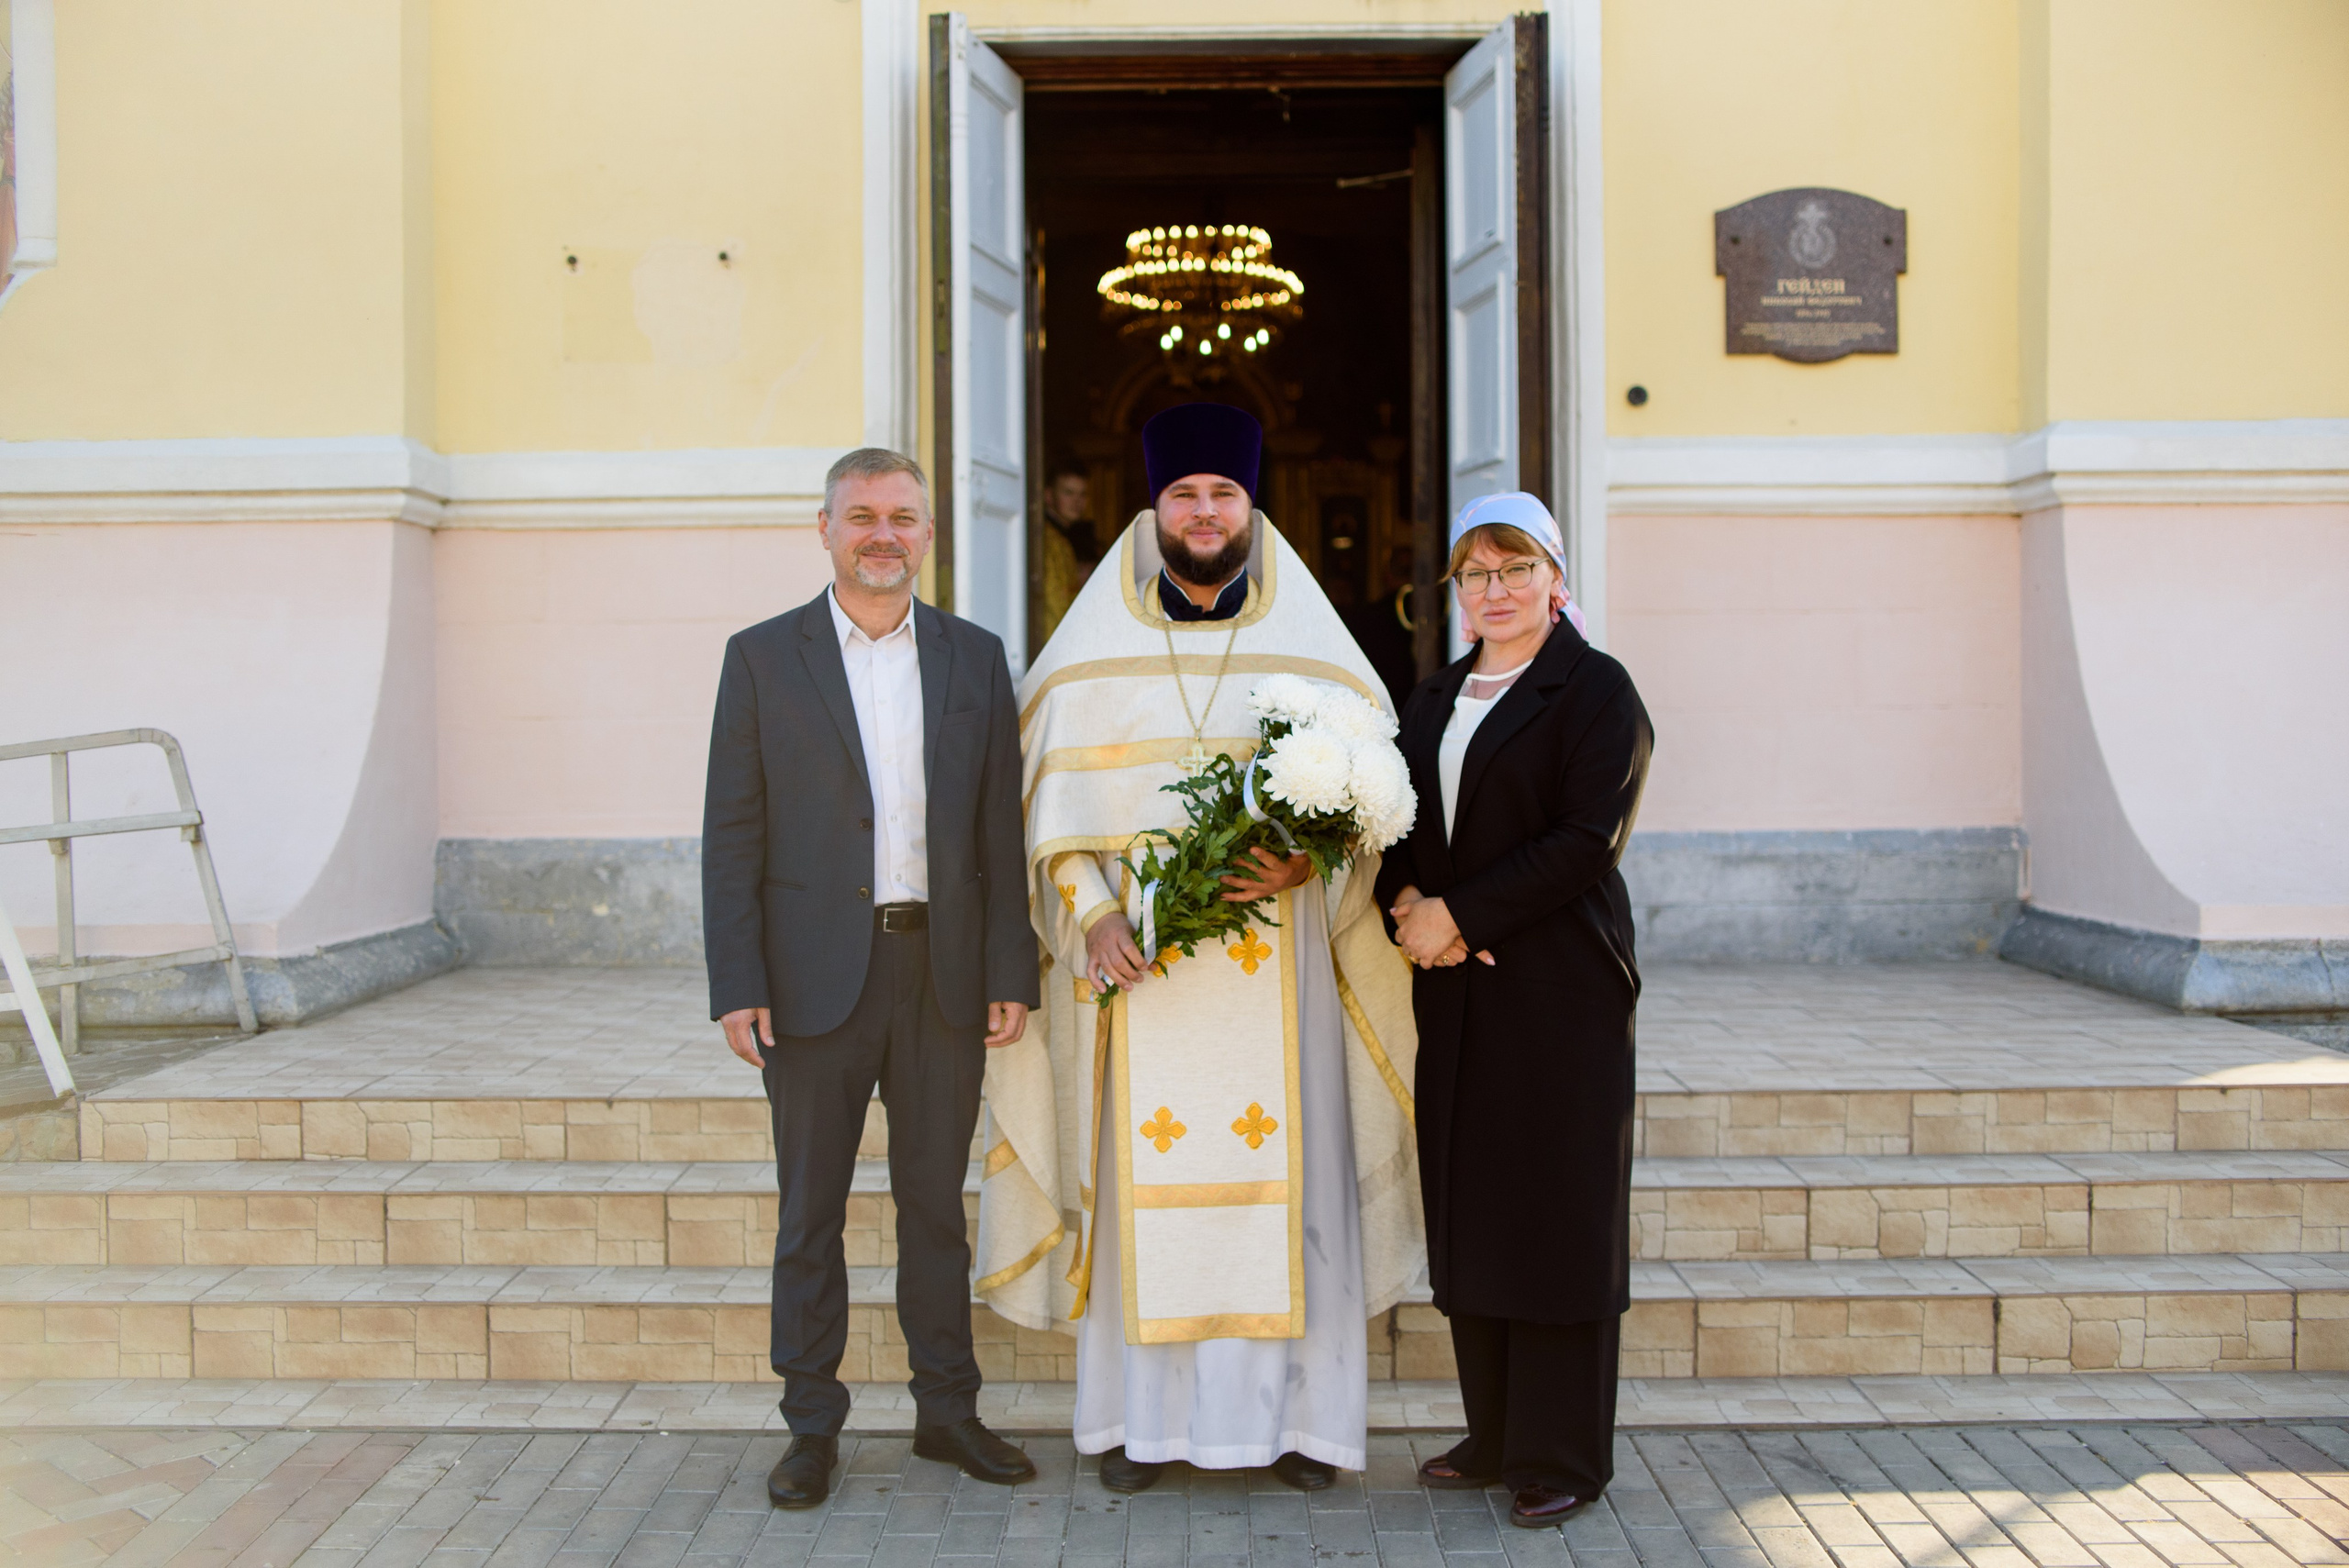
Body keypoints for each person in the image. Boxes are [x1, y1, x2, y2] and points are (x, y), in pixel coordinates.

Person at [974, 403, 1424, 1494]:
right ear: (1154, 506)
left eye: (1224, 493)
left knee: (1297, 1186)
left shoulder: (1312, 644)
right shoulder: (1087, 652)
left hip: (1285, 974)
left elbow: (1369, 802)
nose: (1205, 512)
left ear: (1250, 504)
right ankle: (1141, 1427)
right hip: (1140, 978)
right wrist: (1093, 914)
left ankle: (1305, 1430)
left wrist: (1311, 863)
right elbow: (1045, 815)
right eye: (1185, 494)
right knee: (1140, 1191)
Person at [702, 447, 1042, 1509]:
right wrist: (736, 978)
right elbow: (731, 830)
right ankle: (811, 1425)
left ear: (928, 534)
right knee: (810, 1211)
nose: (882, 534)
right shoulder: (762, 656)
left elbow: (998, 823)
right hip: (809, 983)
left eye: (901, 516)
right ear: (825, 529)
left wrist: (1008, 968)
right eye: (862, 516)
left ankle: (947, 1410)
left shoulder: (975, 658)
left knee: (934, 1205)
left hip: (940, 973)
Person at [1373, 493, 1653, 1529]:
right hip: (1455, 985)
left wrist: (1461, 911)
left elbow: (1586, 836)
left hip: (1560, 987)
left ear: (1554, 577)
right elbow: (1393, 818)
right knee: (1475, 1204)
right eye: (1475, 575)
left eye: (1514, 568)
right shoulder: (1436, 694)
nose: (1494, 590)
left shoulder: (1593, 688)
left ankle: (1562, 1452)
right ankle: (1491, 1433)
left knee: (1556, 1215)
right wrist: (1407, 902)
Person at [1037, 462, 1097, 639]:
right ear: (1049, 495)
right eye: (1068, 493)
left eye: (1082, 494)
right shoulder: (1047, 540)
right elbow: (1057, 604)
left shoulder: (1067, 538)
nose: (1077, 501)